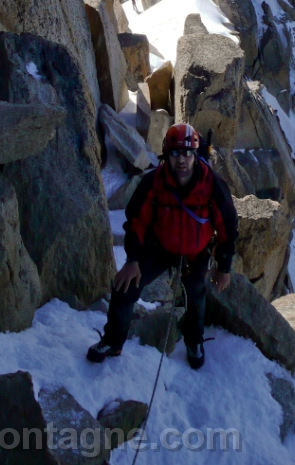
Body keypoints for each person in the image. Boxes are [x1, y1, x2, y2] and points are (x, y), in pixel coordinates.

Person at [87, 123, 238, 370]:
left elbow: (228, 226)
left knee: (195, 293)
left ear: (196, 155)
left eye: (187, 153)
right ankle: (112, 341)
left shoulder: (211, 185)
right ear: (167, 154)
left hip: (195, 252)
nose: (181, 159)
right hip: (159, 248)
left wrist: (224, 266)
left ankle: (194, 341)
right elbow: (136, 220)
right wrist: (133, 260)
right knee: (124, 288)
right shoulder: (154, 182)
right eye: (176, 153)